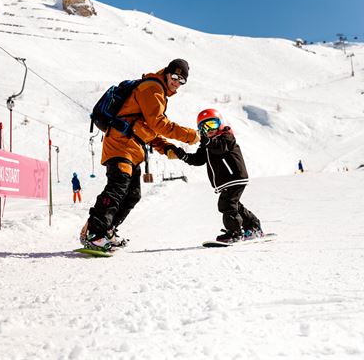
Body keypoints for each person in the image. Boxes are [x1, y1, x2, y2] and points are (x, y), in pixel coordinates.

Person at [81, 59, 200, 251]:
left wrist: (167, 148)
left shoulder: (159, 94)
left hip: (132, 149)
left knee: (132, 195)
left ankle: (108, 230)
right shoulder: (152, 88)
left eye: (182, 80)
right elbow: (159, 124)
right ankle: (95, 233)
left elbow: (146, 130)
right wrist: (190, 136)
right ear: (167, 73)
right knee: (117, 187)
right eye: (175, 77)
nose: (177, 82)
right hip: (120, 145)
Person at [169, 108, 263, 243]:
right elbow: (198, 159)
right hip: (226, 180)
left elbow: (221, 147)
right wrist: (182, 155)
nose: (209, 129)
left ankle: (235, 233)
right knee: (234, 205)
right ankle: (254, 227)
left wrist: (206, 141)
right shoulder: (207, 144)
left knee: (226, 205)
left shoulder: (226, 136)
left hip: (234, 177)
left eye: (212, 124)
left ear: (220, 124)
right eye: (204, 127)